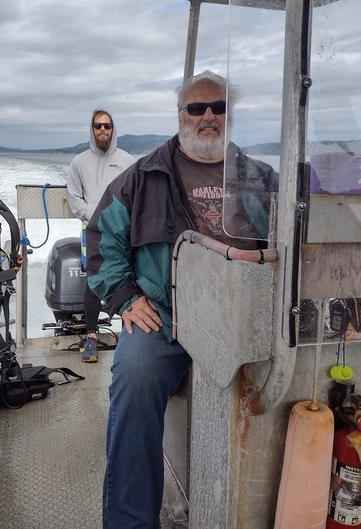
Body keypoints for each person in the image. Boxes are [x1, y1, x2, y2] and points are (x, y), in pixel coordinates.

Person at [86, 70, 279, 528]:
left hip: (245, 313)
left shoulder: (261, 177)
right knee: (134, 380)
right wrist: (124, 296)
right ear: (180, 116)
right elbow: (99, 239)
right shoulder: (142, 177)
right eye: (197, 108)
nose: (208, 116)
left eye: (219, 107)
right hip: (166, 317)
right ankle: (130, 521)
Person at [67, 109, 134, 362]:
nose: (103, 130)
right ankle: (92, 337)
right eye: (98, 126)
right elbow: (74, 199)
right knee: (93, 283)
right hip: (91, 233)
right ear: (92, 129)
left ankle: (131, 336)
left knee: (129, 278)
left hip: (122, 233)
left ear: (113, 129)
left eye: (107, 126)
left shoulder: (127, 160)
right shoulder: (78, 162)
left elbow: (135, 196)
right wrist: (95, 219)